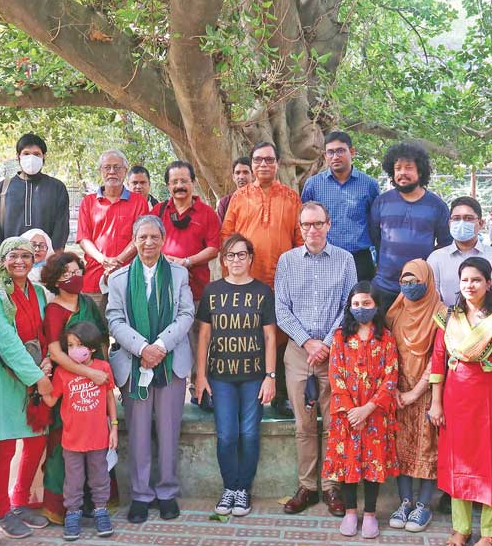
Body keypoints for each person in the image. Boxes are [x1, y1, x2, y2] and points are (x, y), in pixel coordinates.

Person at [106, 215, 195, 524]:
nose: (148, 243)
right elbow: (115, 319)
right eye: (142, 237)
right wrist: (142, 348)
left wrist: (160, 346)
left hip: (171, 362)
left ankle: (167, 492)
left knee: (169, 430)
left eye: (154, 237)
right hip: (134, 364)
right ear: (134, 240)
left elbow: (186, 313)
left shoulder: (179, 275)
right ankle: (141, 495)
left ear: (163, 239)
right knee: (140, 431)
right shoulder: (119, 280)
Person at [428, 258, 492, 546]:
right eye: (465, 280)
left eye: (476, 280)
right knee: (458, 464)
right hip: (455, 402)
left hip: (491, 402)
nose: (470, 285)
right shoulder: (449, 317)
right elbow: (438, 361)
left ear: (489, 283)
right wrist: (436, 402)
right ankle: (461, 527)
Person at [274, 202, 358, 517]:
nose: (312, 230)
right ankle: (307, 486)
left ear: (328, 224)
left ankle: (332, 485)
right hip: (298, 352)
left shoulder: (345, 260)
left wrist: (323, 343)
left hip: (334, 350)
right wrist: (308, 342)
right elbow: (281, 307)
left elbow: (349, 306)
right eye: (306, 225)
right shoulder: (287, 261)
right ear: (300, 227)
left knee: (334, 422)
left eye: (318, 223)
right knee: (304, 423)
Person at [194, 234, 277, 517]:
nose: (236, 260)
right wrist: (201, 376)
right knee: (228, 435)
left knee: (250, 434)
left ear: (250, 258)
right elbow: (204, 336)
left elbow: (269, 337)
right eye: (231, 255)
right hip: (220, 377)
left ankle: (243, 489)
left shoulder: (263, 292)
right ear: (223, 260)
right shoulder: (212, 291)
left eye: (242, 255)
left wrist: (270, 376)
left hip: (254, 376)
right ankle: (230, 486)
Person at [0, 237, 53, 538]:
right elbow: (6, 341)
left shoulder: (38, 292)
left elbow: (47, 331)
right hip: (9, 376)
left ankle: (20, 501)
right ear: (2, 259)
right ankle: (0, 510)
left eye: (26, 255)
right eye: (14, 256)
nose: (21, 262)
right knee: (5, 446)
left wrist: (48, 361)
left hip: (39, 372)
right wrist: (36, 376)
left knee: (37, 441)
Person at [39, 251, 112, 524]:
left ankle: (98, 504)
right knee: (64, 448)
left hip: (95, 390)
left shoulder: (87, 303)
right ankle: (65, 508)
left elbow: (102, 339)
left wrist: (102, 375)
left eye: (75, 271)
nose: (73, 277)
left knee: (96, 450)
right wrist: (88, 373)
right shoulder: (54, 310)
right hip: (68, 387)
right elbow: (56, 354)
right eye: (65, 274)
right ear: (55, 281)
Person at [323, 281, 399, 539]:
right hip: (346, 416)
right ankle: (350, 512)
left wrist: (368, 408)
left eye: (366, 303)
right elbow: (335, 376)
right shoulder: (340, 337)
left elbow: (391, 377)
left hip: (375, 415)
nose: (361, 308)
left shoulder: (387, 339)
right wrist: (351, 411)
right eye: (356, 304)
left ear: (376, 305)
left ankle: (369, 515)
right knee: (348, 464)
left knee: (372, 465)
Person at [41, 321, 117, 540]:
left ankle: (100, 510)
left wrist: (113, 427)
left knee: (99, 477)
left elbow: (110, 396)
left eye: (78, 345)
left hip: (98, 439)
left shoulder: (103, 368)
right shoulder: (63, 372)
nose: (74, 350)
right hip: (72, 440)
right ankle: (72, 513)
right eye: (70, 345)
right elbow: (51, 401)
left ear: (92, 347)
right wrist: (40, 380)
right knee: (73, 480)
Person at [386, 260, 444, 533]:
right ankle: (405, 501)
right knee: (400, 448)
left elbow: (438, 358)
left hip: (429, 392)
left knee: (427, 447)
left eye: (415, 281)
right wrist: (394, 389)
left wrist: (415, 393)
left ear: (427, 281)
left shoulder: (441, 313)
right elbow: (386, 350)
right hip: (397, 392)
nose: (409, 287)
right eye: (404, 282)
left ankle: (423, 505)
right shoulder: (396, 311)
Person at [368, 142, 451, 310]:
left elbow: (445, 245)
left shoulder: (437, 206)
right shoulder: (381, 202)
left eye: (408, 168)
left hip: (419, 288)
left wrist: (423, 267)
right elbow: (375, 238)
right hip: (384, 287)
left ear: (420, 171)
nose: (402, 173)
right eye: (398, 168)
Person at [221, 142, 303, 288]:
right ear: (252, 164)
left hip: (282, 279)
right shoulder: (239, 197)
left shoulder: (292, 198)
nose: (263, 164)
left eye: (269, 160)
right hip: (245, 278)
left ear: (278, 163)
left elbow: (300, 240)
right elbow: (227, 237)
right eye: (258, 160)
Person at [300, 131, 381, 281]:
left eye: (340, 151)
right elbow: (303, 223)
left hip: (360, 260)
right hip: (324, 258)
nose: (335, 157)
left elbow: (376, 226)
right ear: (325, 156)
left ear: (352, 152)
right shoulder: (313, 185)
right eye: (330, 152)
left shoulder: (369, 185)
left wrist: (380, 259)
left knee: (361, 303)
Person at [77, 150, 149, 310]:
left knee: (128, 331)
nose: (112, 172)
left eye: (117, 167)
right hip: (94, 278)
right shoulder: (88, 202)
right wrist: (103, 260)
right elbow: (83, 238)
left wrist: (118, 261)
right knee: (93, 332)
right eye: (107, 167)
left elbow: (141, 237)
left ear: (125, 170)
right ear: (100, 171)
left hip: (129, 278)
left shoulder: (139, 202)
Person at [0, 134, 70, 266]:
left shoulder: (56, 187)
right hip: (10, 263)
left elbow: (61, 228)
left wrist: (53, 262)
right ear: (18, 156)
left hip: (44, 264)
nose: (31, 158)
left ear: (44, 157)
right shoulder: (4, 188)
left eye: (37, 154)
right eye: (26, 153)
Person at [427, 196, 492, 310]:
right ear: (449, 223)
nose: (461, 223)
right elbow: (433, 301)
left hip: (489, 324)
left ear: (481, 223)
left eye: (468, 218)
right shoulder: (436, 259)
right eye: (456, 218)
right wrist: (455, 322)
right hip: (447, 324)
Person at [153, 160, 221, 303]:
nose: (179, 186)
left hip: (196, 292)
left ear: (193, 182)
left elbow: (214, 248)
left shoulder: (207, 213)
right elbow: (146, 243)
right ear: (168, 185)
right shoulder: (158, 211)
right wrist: (165, 261)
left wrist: (186, 262)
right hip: (162, 291)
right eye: (174, 182)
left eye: (184, 181)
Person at [216, 157, 253, 222]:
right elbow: (221, 230)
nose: (241, 177)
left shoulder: (262, 200)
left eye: (245, 172)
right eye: (238, 173)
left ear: (253, 175)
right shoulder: (224, 203)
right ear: (233, 177)